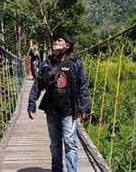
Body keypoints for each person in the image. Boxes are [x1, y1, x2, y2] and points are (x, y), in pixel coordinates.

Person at [27, 32, 90, 172]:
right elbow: (38, 83)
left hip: (69, 111)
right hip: (52, 111)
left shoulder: (75, 63)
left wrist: (84, 107)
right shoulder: (47, 63)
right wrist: (32, 103)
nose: (55, 43)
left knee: (70, 144)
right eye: (55, 41)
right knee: (55, 145)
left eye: (59, 41)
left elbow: (83, 86)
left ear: (67, 45)